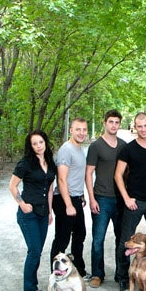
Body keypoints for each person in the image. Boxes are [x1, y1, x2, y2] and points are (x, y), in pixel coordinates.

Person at [114, 112, 146, 291]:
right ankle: (122, 278)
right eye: (139, 126)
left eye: (145, 125)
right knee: (124, 242)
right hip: (134, 203)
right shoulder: (128, 149)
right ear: (135, 128)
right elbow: (118, 175)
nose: (143, 129)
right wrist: (126, 198)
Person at [9, 130, 56, 291]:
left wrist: (50, 211)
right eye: (34, 143)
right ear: (31, 146)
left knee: (37, 251)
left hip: (43, 213)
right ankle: (29, 289)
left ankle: (34, 286)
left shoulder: (50, 162)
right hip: (28, 214)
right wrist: (21, 203)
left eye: (40, 142)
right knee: (34, 251)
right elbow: (12, 186)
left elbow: (50, 189)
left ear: (45, 143)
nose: (38, 146)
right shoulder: (25, 163)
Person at [85, 110, 126, 288]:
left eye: (117, 122)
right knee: (98, 239)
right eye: (111, 122)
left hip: (120, 200)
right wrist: (92, 199)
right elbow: (88, 174)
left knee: (122, 239)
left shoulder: (124, 146)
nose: (114, 125)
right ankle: (97, 274)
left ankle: (121, 274)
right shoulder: (96, 146)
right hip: (101, 198)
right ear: (104, 123)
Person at [50, 117, 88, 278]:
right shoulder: (66, 149)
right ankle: (55, 274)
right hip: (65, 200)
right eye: (78, 129)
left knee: (80, 234)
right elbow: (61, 179)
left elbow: (76, 175)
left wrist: (81, 195)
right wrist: (68, 204)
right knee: (62, 239)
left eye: (84, 130)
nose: (81, 133)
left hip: (76, 198)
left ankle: (77, 269)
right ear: (71, 130)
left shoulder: (79, 148)